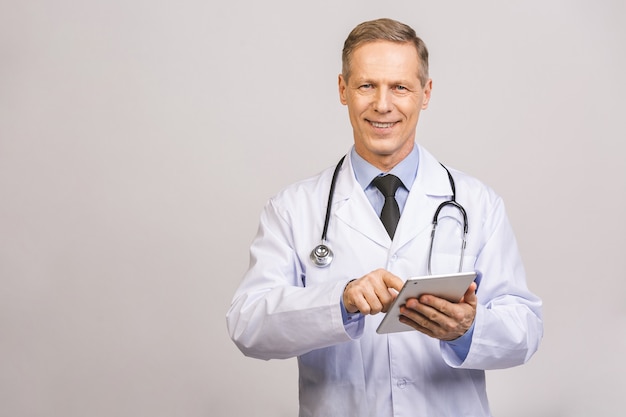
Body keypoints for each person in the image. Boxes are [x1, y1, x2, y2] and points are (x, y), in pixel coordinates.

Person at [226, 17, 543, 417]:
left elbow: (526, 331)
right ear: (343, 90)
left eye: (400, 87)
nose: (382, 104)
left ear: (425, 94)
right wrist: (339, 301)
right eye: (366, 85)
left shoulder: (478, 203)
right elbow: (248, 326)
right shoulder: (292, 208)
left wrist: (468, 329)